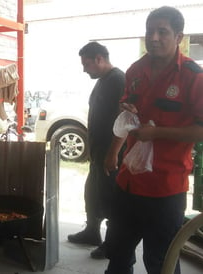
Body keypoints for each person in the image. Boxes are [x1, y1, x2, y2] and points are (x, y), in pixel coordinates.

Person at [104, 6, 203, 274]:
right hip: (129, 182)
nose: (154, 38)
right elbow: (125, 110)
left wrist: (157, 132)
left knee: (161, 262)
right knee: (118, 255)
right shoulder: (136, 70)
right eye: (150, 31)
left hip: (166, 189)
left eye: (163, 32)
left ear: (179, 36)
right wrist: (114, 148)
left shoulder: (193, 76)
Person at [67, 42, 125, 259]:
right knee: (92, 194)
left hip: (111, 154)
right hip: (99, 153)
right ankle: (92, 232)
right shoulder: (103, 81)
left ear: (99, 59)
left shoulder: (118, 80)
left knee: (111, 200)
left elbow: (124, 119)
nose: (84, 69)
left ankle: (112, 244)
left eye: (87, 64)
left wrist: (113, 153)